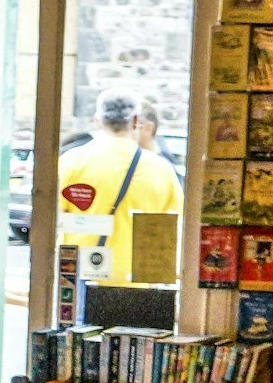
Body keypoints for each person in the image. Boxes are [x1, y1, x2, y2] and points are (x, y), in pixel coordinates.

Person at [58, 91, 182, 282]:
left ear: (97, 121)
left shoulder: (70, 163)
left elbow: (51, 222)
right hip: (137, 285)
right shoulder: (161, 170)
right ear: (135, 122)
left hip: (78, 280)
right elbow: (174, 230)